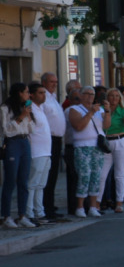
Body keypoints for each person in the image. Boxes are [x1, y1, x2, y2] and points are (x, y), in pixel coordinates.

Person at [68, 86, 111, 217]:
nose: (90, 97)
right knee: (84, 176)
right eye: (86, 94)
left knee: (96, 177)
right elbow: (79, 126)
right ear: (80, 96)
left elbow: (106, 126)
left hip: (97, 147)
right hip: (82, 146)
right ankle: (80, 207)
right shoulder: (74, 109)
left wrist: (107, 111)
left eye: (92, 94)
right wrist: (91, 112)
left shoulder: (99, 110)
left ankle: (93, 206)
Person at [1, 82, 36, 228]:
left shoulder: (25, 107)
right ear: (19, 93)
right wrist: (20, 117)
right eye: (27, 92)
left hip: (24, 142)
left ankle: (22, 215)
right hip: (12, 143)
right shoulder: (5, 109)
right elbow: (6, 130)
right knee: (10, 180)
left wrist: (27, 116)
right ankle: (6, 215)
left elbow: (31, 128)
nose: (29, 95)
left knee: (23, 180)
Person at [96, 88, 124, 213]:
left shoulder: (123, 110)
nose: (114, 98)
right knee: (102, 174)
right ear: (107, 97)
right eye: (111, 96)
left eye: (117, 96)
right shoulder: (101, 109)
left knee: (120, 174)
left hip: (120, 140)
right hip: (106, 142)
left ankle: (119, 202)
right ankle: (97, 203)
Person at [40, 72, 66, 220]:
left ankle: (50, 205)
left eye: (56, 82)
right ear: (44, 82)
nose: (54, 84)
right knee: (47, 175)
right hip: (48, 139)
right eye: (51, 82)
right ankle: (46, 207)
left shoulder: (53, 98)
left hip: (56, 140)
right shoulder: (44, 99)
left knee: (54, 174)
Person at [25, 82, 52, 224]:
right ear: (32, 95)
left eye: (44, 92)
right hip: (36, 152)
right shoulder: (30, 109)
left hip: (46, 152)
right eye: (40, 93)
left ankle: (39, 211)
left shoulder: (40, 109)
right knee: (32, 183)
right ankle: (29, 212)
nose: (44, 95)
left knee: (41, 184)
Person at [62, 81, 82, 215]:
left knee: (81, 177)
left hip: (79, 146)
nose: (79, 100)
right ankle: (74, 207)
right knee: (74, 178)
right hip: (71, 146)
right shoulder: (69, 110)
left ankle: (83, 205)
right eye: (76, 98)